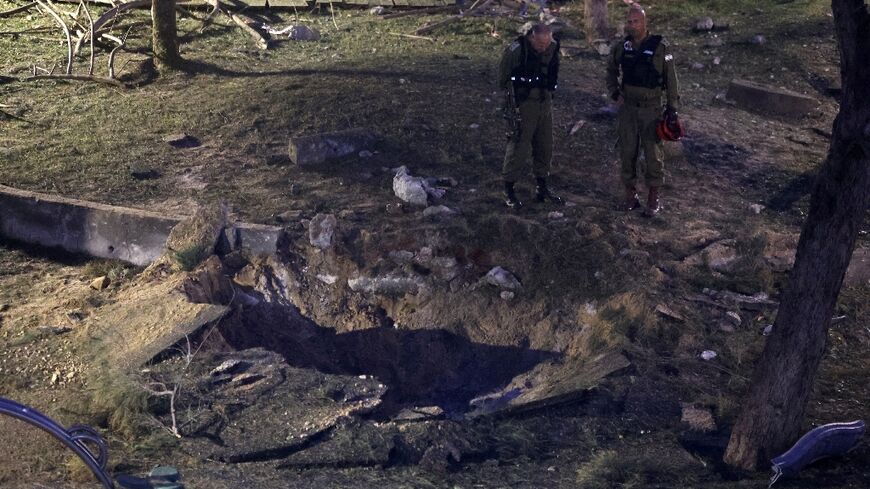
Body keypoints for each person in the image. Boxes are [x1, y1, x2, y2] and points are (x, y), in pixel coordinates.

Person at [606, 4, 680, 217]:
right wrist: (614, 93)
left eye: (635, 21)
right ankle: (630, 196)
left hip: (651, 109)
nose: (631, 25)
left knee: (653, 155)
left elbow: (671, 80)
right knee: (627, 152)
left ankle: (653, 198)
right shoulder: (622, 47)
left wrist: (672, 108)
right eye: (629, 22)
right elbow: (610, 70)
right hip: (628, 108)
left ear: (644, 22)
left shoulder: (660, 47)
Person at [498, 23, 564, 209]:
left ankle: (542, 187)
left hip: (544, 102)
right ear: (531, 37)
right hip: (524, 104)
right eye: (540, 44)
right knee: (519, 145)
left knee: (545, 145)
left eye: (546, 44)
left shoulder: (552, 47)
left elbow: (553, 71)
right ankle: (509, 189)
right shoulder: (516, 50)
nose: (543, 48)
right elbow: (503, 80)